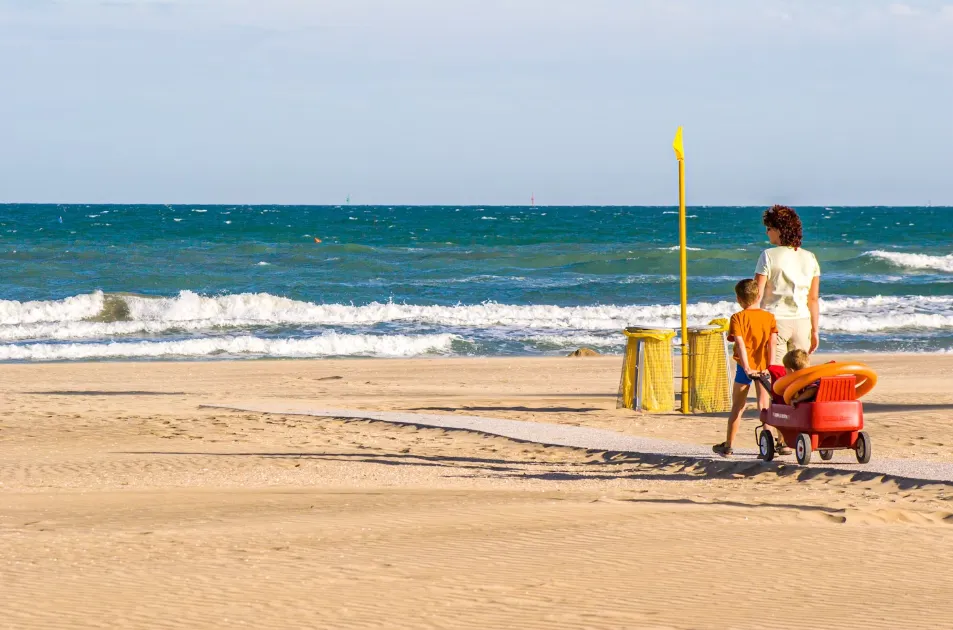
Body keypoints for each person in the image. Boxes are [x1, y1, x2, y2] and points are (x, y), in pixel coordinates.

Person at [712, 279, 778, 457]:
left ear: (738, 299)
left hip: (744, 367)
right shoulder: (769, 317)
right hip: (764, 366)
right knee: (764, 406)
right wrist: (770, 366)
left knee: (738, 406)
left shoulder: (737, 318)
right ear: (758, 296)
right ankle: (767, 446)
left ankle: (729, 446)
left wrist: (747, 367)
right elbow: (772, 343)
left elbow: (740, 344)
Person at [756, 205, 821, 362]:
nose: (767, 232)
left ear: (779, 230)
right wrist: (814, 331)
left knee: (776, 373)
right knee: (798, 376)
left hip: (774, 321)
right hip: (802, 322)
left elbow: (756, 294)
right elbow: (812, 299)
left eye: (769, 228)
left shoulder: (768, 255)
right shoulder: (810, 257)